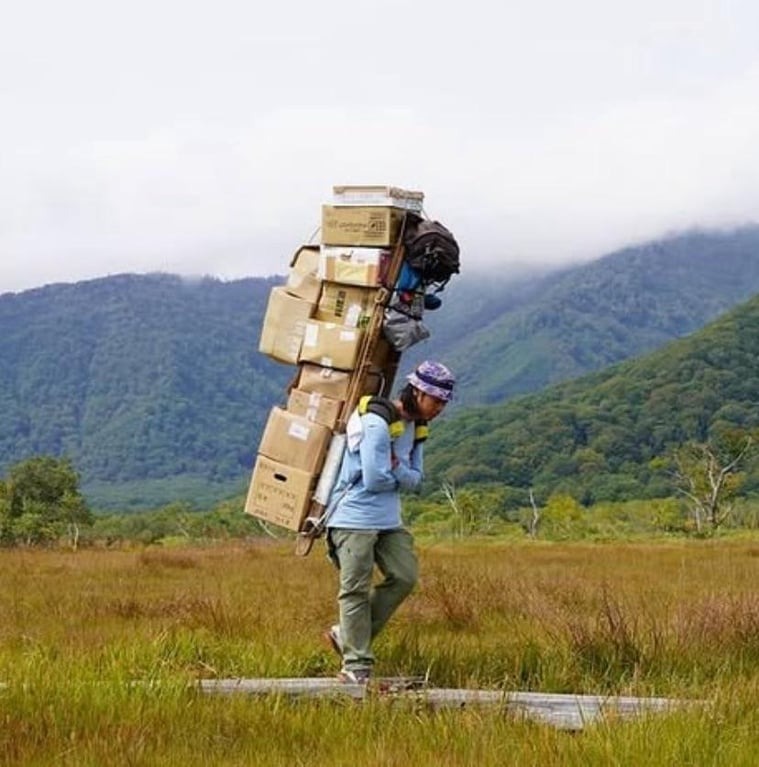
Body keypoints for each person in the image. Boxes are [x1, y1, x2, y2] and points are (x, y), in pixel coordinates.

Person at [324, 360, 456, 684]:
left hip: (388, 520)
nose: (439, 408)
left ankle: (347, 635)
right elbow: (373, 479)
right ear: (417, 392)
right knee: (354, 590)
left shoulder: (417, 428)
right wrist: (398, 474)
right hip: (353, 518)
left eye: (443, 402)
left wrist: (395, 469)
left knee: (404, 576)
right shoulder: (376, 421)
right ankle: (356, 667)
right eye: (435, 400)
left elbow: (417, 481)